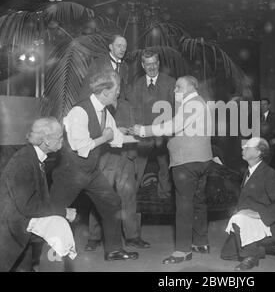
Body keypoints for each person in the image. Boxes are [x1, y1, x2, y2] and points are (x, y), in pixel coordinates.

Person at [50, 70, 140, 261]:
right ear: (106, 92)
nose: (118, 93)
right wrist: (104, 137)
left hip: (90, 171)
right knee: (53, 210)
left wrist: (147, 135)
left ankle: (114, 250)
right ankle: (43, 257)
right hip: (71, 171)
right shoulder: (79, 111)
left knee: (112, 202)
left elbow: (117, 138)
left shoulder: (105, 112)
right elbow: (81, 147)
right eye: (117, 90)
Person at [132, 75, 213, 264]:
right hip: (203, 160)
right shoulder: (200, 103)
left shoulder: (192, 104)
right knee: (198, 202)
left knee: (183, 206)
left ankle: (182, 251)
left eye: (178, 87)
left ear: (190, 88)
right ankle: (201, 242)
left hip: (186, 162)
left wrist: (144, 130)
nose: (175, 91)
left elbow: (174, 126)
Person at [0, 117, 76, 271]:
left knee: (58, 225)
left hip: (21, 216)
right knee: (59, 226)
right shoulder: (23, 162)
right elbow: (28, 207)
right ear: (47, 140)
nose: (63, 141)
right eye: (60, 137)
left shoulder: (34, 156)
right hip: (11, 225)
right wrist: (63, 212)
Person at [85, 99, 150, 251]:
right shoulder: (96, 106)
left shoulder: (127, 105)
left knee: (128, 198)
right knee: (99, 198)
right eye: (114, 88)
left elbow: (136, 129)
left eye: (118, 87)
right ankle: (94, 237)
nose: (117, 91)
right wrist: (115, 132)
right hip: (104, 158)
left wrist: (133, 132)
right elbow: (90, 134)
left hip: (125, 156)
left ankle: (132, 237)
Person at [221, 137, 275, 271]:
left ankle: (250, 258)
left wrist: (257, 214)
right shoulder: (248, 171)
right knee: (226, 254)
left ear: (258, 153)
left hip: (266, 224)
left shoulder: (270, 174)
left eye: (248, 146)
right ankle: (268, 249)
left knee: (239, 220)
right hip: (248, 223)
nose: (243, 148)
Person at [126, 49, 175, 199]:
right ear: (142, 65)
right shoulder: (137, 84)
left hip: (164, 135)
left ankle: (164, 196)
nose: (152, 67)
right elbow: (133, 109)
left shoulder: (170, 82)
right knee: (137, 167)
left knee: (165, 167)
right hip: (143, 136)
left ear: (158, 63)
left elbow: (175, 110)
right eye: (148, 64)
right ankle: (130, 198)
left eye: (154, 63)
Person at [78, 34, 129, 102]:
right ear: (111, 47)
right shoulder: (98, 63)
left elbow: (123, 92)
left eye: (124, 46)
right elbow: (87, 88)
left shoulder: (125, 67)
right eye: (119, 46)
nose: (122, 49)